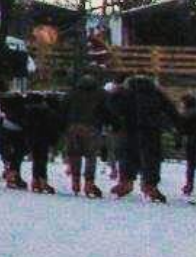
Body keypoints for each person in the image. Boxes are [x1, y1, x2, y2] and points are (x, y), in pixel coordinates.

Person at [114, 74, 181, 203]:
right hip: (151, 131)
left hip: (130, 130)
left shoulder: (125, 93)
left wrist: (115, 122)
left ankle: (126, 182)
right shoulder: (156, 94)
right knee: (152, 159)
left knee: (128, 155)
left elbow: (113, 108)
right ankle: (150, 186)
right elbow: (171, 111)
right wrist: (178, 126)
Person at [62, 72, 107, 197]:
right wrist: (112, 123)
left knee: (74, 155)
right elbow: (107, 110)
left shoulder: (72, 93)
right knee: (90, 156)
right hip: (92, 127)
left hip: (73, 126)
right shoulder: (101, 94)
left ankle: (75, 183)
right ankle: (89, 183)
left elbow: (63, 109)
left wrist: (62, 126)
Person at [24, 92, 62, 194]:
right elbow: (53, 126)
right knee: (42, 159)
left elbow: (26, 125)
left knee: (36, 159)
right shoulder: (48, 111)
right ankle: (42, 180)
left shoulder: (27, 110)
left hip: (31, 137)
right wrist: (53, 140)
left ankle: (35, 180)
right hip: (43, 137)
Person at [0, 91, 28, 190]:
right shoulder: (21, 107)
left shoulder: (5, 107)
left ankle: (11, 171)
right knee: (19, 153)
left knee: (9, 152)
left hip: (6, 127)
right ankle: (13, 175)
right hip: (18, 130)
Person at [179, 94, 195, 198]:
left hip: (192, 141)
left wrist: (178, 142)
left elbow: (181, 129)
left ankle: (189, 186)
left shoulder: (187, 113)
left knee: (191, 165)